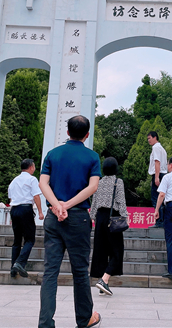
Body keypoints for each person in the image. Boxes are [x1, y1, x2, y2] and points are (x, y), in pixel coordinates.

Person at [38, 115, 102, 328]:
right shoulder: (92, 157)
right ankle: (84, 319)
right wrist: (68, 205)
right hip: (78, 218)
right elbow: (93, 187)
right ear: (87, 134)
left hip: (54, 217)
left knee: (50, 272)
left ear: (67, 132)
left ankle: (45, 323)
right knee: (80, 271)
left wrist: (57, 205)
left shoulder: (53, 154)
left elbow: (43, 183)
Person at [90, 157, 128, 296]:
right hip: (113, 218)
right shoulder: (118, 182)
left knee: (101, 251)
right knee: (117, 251)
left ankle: (102, 283)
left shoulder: (98, 182)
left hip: (100, 218)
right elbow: (121, 201)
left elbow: (94, 202)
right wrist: (124, 217)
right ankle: (104, 280)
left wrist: (92, 216)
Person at [8, 158, 44, 278]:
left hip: (14, 209)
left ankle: (13, 269)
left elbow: (10, 197)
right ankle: (19, 262)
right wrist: (40, 212)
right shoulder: (32, 179)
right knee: (29, 239)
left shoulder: (14, 180)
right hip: (25, 209)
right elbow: (36, 196)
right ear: (31, 167)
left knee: (17, 240)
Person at [147, 131, 167, 229]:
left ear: (155, 137)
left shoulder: (155, 147)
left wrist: (156, 177)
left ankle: (159, 222)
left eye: (149, 138)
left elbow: (157, 162)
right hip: (163, 174)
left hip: (158, 174)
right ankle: (163, 221)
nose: (148, 140)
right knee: (162, 199)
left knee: (156, 199)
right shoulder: (161, 148)